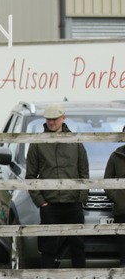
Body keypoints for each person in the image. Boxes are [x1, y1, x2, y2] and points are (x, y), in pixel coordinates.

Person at [25, 103, 89, 268]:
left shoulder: (75, 141)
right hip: (50, 204)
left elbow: (84, 173)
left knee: (78, 245)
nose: (51, 122)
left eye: (55, 119)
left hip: (73, 203)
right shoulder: (38, 143)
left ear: (63, 118)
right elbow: (30, 176)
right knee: (49, 246)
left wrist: (80, 198)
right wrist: (41, 202)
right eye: (48, 119)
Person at [103, 126, 125, 268]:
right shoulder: (115, 156)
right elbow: (107, 181)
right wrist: (116, 197)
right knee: (123, 245)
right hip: (122, 209)